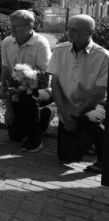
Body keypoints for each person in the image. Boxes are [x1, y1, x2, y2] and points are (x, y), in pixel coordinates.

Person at [48, 14, 108, 174]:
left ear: (90, 32)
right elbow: (55, 84)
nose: (70, 32)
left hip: (93, 106)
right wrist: (64, 114)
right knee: (66, 156)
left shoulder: (103, 57)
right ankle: (86, 141)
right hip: (67, 109)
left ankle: (103, 160)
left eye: (75, 30)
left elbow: (99, 93)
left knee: (87, 119)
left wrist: (74, 114)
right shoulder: (59, 50)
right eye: (68, 28)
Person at [0, 10, 53, 152]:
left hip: (44, 89)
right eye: (10, 25)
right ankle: (45, 115)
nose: (11, 29)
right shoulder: (7, 42)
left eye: (15, 26)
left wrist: (18, 89)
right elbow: (5, 74)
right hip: (17, 90)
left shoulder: (41, 43)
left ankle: (35, 141)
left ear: (29, 27)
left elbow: (45, 79)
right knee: (15, 135)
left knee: (27, 96)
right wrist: (9, 109)